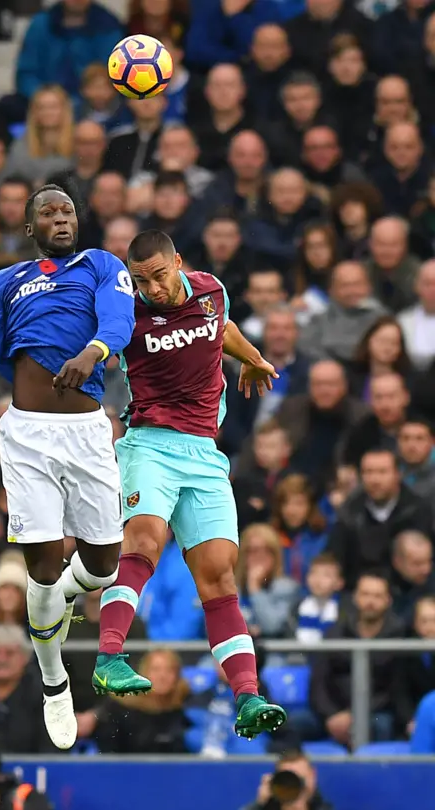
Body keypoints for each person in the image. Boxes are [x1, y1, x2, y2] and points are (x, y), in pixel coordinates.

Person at [0, 184, 135, 751]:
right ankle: (54, 681)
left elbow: (119, 323)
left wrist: (91, 353)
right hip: (26, 436)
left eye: (67, 210)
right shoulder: (3, 284)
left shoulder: (100, 265)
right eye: (47, 213)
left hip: (89, 431)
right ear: (30, 228)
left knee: (101, 569)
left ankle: (61, 601)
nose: (60, 218)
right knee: (43, 567)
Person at [93, 229, 287, 740]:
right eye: (141, 280)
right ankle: (109, 655)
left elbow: (220, 328)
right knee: (145, 540)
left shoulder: (211, 291)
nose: (152, 288)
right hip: (150, 444)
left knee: (220, 579)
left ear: (178, 262)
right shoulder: (126, 315)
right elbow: (96, 346)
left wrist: (250, 356)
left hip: (204, 452)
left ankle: (247, 696)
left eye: (159, 275)